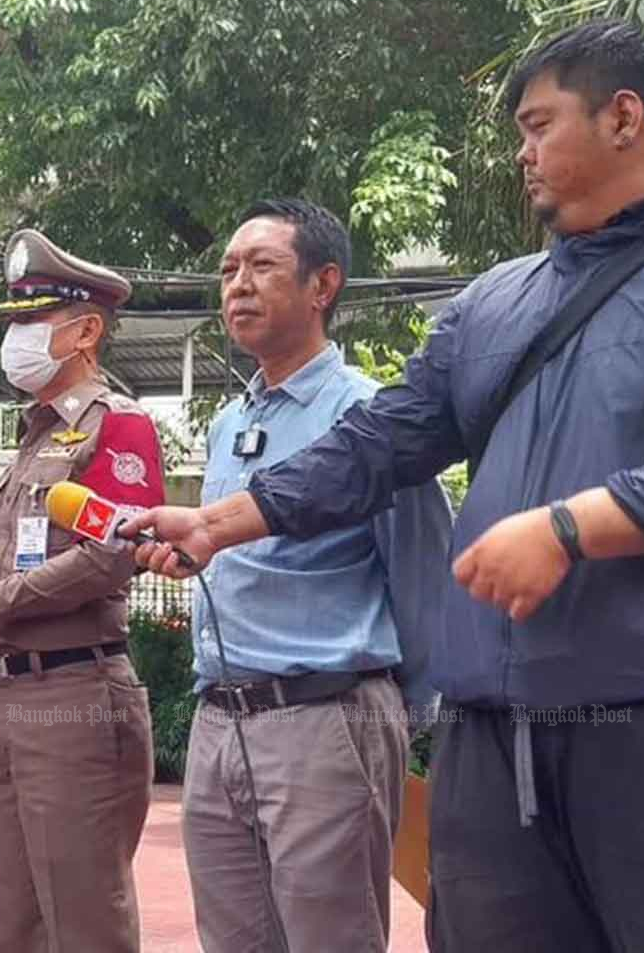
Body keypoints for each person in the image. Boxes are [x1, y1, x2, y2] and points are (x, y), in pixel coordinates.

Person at [127, 20, 644, 952]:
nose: (520, 153)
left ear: (623, 117)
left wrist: (576, 527)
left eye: (538, 125)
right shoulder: (494, 302)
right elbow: (374, 445)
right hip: (493, 731)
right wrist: (220, 523)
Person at [172, 198, 452, 952]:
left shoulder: (367, 415)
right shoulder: (231, 424)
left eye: (261, 266)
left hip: (327, 719)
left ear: (324, 283)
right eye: (228, 270)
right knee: (232, 938)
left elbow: (425, 568)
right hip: (218, 720)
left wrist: (402, 716)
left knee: (332, 938)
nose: (237, 285)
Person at [0, 229, 165, 953]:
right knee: (15, 922)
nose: (15, 338)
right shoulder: (38, 435)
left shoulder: (119, 427)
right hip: (10, 697)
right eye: (13, 322)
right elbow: (19, 564)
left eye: (31, 321)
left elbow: (106, 561)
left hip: (75, 695)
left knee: (84, 922)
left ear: (86, 331)